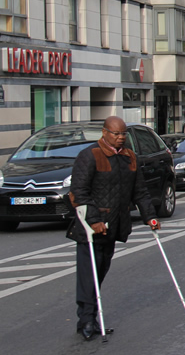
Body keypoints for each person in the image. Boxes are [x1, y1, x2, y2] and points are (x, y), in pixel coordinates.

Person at [68, 116, 160, 341]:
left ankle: (89, 316)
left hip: (114, 224)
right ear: (104, 133)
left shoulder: (130, 157)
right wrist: (93, 220)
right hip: (91, 228)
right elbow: (79, 191)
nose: (120, 138)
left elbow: (140, 191)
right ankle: (87, 320)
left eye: (123, 134)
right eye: (116, 134)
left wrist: (150, 216)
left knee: (100, 271)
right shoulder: (90, 155)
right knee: (88, 274)